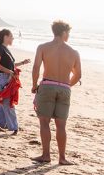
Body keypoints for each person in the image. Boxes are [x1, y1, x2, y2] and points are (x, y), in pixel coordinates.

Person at [31, 20, 82, 165]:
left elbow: (36, 68)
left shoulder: (43, 47)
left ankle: (46, 155)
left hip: (47, 86)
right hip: (64, 88)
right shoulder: (73, 52)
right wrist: (67, 85)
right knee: (61, 125)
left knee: (44, 122)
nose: (69, 36)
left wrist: (34, 86)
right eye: (68, 33)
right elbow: (78, 75)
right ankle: (62, 158)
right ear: (64, 32)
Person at [0, 29, 29, 134]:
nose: (13, 38)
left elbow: (10, 65)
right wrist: (9, 72)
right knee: (8, 102)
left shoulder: (5, 49)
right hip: (0, 78)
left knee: (5, 100)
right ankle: (14, 127)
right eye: (11, 36)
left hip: (6, 77)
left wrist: (22, 63)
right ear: (5, 37)